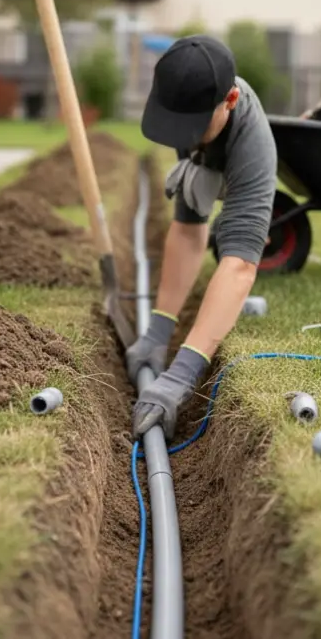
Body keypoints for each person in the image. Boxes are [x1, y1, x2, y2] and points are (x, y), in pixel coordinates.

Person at [126, 34, 277, 439]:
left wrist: (182, 373)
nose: (183, 137)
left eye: (191, 127)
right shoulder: (189, 117)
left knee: (235, 244)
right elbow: (189, 229)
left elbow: (241, 265)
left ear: (228, 101)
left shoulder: (251, 142)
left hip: (245, 161)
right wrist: (159, 332)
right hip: (214, 152)